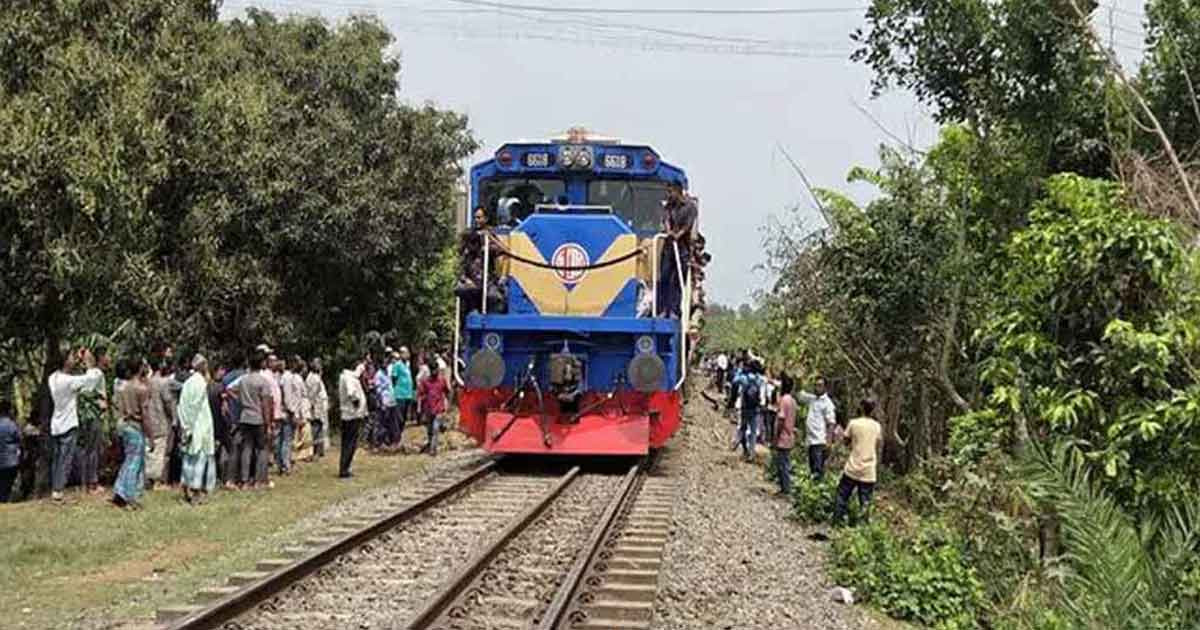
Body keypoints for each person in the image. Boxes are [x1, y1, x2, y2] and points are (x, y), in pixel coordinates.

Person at [48, 346, 104, 501]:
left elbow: (76, 378)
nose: (74, 359)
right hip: (68, 424)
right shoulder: (68, 381)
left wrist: (79, 361)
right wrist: (89, 363)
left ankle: (56, 489)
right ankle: (58, 492)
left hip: (56, 424)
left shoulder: (53, 377)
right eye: (72, 357)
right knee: (66, 459)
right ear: (65, 361)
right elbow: (90, 380)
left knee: (58, 459)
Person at [832, 398, 883, 526]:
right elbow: (877, 444)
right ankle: (862, 529)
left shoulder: (854, 423)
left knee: (842, 494)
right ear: (873, 410)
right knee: (865, 501)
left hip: (853, 467)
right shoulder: (877, 426)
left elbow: (846, 441)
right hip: (868, 470)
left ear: (861, 407)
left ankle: (838, 522)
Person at [113, 358, 153, 509]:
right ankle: (129, 497)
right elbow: (145, 415)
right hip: (135, 428)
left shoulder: (123, 386)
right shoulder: (141, 389)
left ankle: (120, 490)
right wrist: (151, 435)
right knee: (134, 463)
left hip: (125, 425)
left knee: (129, 460)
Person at [232, 350, 274, 490]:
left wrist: (240, 401)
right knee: (262, 449)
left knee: (247, 448)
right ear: (261, 363)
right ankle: (258, 480)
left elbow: (230, 390)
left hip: (245, 417)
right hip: (258, 418)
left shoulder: (243, 380)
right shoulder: (263, 382)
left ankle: (244, 481)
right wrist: (268, 424)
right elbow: (266, 404)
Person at [655, 181, 698, 318]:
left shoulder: (690, 207)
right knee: (664, 277)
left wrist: (678, 235)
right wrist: (669, 233)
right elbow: (666, 219)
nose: (668, 195)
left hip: (683, 248)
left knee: (678, 280)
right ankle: (661, 310)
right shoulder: (668, 206)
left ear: (677, 191)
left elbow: (687, 226)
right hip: (669, 247)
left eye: (670, 192)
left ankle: (675, 310)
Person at [178, 354, 216, 504]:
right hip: (199, 425)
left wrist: (185, 425)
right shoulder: (200, 383)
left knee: (188, 459)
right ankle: (195, 492)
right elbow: (195, 406)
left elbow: (181, 406)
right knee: (200, 459)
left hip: (189, 425)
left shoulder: (188, 382)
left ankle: (186, 489)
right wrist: (191, 426)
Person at [76, 346, 112, 495]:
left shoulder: (88, 373)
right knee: (92, 450)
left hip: (86, 415)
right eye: (107, 356)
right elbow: (87, 393)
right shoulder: (96, 373)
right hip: (92, 415)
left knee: (88, 450)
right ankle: (92, 483)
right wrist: (100, 402)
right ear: (101, 358)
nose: (109, 359)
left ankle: (86, 482)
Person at [798, 376, 837, 480]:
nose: (816, 388)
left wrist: (828, 442)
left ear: (825, 388)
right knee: (812, 467)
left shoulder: (827, 404)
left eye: (819, 385)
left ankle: (817, 488)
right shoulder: (812, 399)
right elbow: (799, 396)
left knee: (817, 469)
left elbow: (831, 423)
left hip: (820, 440)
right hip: (811, 440)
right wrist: (798, 380)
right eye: (815, 385)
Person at [145, 360, 175, 490]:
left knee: (149, 453)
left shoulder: (145, 382)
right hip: (161, 421)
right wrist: (174, 418)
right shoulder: (162, 383)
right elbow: (168, 402)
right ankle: (159, 481)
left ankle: (149, 480)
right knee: (161, 453)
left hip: (147, 422)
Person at [338, 360, 368, 478]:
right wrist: (357, 404)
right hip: (351, 415)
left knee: (349, 443)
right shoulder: (349, 378)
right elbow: (351, 393)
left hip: (350, 414)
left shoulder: (347, 377)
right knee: (350, 443)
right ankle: (344, 469)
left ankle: (345, 467)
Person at [417, 356, 450, 456]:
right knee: (430, 429)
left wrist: (446, 404)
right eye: (433, 370)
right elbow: (421, 394)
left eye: (436, 369)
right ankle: (430, 444)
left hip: (438, 408)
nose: (435, 372)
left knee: (436, 428)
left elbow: (447, 391)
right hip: (428, 408)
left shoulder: (441, 381)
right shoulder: (425, 381)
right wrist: (419, 407)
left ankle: (433, 449)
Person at [731, 361, 764, 461]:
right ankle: (751, 453)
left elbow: (734, 381)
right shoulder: (759, 379)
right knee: (753, 432)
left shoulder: (744, 378)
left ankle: (737, 442)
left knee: (743, 428)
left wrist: (740, 371)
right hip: (755, 408)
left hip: (745, 408)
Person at [282, 356, 311, 463]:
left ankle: (289, 459)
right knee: (287, 439)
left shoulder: (295, 377)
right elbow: (288, 397)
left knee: (291, 437)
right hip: (290, 412)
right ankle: (286, 464)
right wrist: (293, 412)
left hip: (297, 411)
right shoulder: (287, 377)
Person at [773, 374, 797, 496]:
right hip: (790, 436)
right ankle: (786, 488)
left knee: (782, 465)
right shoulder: (793, 401)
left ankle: (785, 489)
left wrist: (776, 435)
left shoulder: (784, 400)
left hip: (783, 437)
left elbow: (781, 419)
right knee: (785, 463)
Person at [267, 355, 290, 474]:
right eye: (274, 361)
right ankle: (281, 463)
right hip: (275, 412)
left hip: (280, 412)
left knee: (281, 439)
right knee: (279, 439)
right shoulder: (269, 376)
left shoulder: (278, 377)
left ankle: (282, 463)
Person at [305, 358, 329, 459]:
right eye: (318, 364)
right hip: (316, 407)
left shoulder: (316, 377)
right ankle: (314, 450)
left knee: (320, 428)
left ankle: (320, 449)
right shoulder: (313, 378)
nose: (320, 366)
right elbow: (312, 395)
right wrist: (312, 407)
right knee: (316, 428)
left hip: (320, 406)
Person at [372, 359, 398, 449]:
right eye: (384, 363)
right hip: (384, 401)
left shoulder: (387, 373)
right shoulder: (378, 375)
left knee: (391, 422)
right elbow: (378, 391)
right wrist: (381, 403)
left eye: (387, 363)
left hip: (391, 400)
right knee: (382, 422)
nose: (386, 364)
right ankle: (379, 441)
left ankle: (389, 440)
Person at [391, 348, 415, 440]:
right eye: (406, 353)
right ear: (401, 354)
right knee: (398, 418)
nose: (408, 354)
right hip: (400, 395)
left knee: (404, 418)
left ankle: (399, 435)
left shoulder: (407, 365)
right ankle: (396, 438)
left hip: (407, 395)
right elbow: (393, 379)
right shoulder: (397, 365)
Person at [0, 397, 21, 503]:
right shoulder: (12, 425)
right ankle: (4, 500)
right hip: (10, 461)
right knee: (7, 484)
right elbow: (19, 439)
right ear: (9, 411)